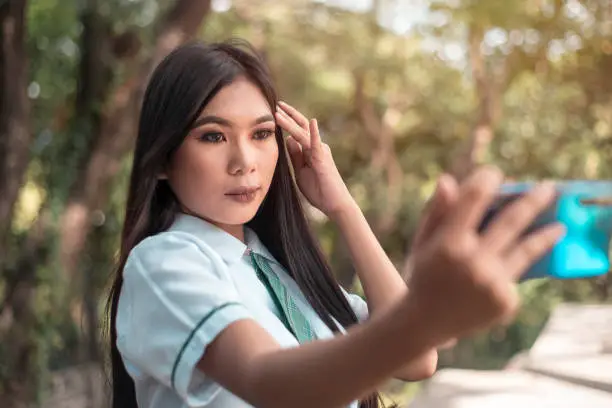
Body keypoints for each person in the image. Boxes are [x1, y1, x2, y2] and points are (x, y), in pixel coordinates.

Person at [105, 39, 565, 408]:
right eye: (213, 136)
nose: (244, 161)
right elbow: (272, 385)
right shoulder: (163, 263)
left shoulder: (274, 266)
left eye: (262, 134)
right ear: (163, 159)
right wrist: (425, 313)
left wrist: (342, 205)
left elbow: (418, 361)